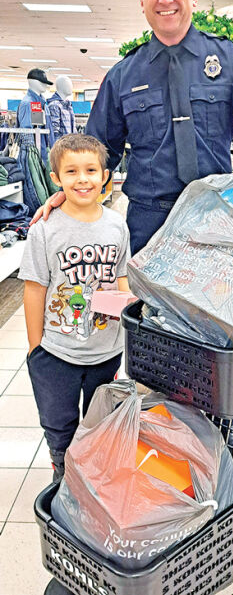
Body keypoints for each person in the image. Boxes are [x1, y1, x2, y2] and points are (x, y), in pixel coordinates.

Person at [34, 0, 233, 254]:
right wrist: (68, 194)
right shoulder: (122, 76)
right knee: (142, 303)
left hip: (216, 219)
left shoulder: (230, 61)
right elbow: (96, 150)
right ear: (142, 1)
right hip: (149, 225)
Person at [18, 134, 130, 481]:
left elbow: (121, 277)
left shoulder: (116, 225)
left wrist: (127, 318)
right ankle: (62, 471)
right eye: (72, 172)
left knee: (99, 420)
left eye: (91, 170)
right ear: (56, 179)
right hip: (56, 352)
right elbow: (34, 289)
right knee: (59, 422)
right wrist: (36, 348)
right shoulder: (45, 229)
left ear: (105, 175)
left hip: (106, 349)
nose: (83, 179)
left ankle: (93, 476)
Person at [47, 75, 77, 141]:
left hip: (70, 146)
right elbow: (54, 132)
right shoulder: (54, 105)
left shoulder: (68, 106)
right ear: (61, 86)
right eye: (68, 85)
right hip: (62, 148)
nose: (71, 87)